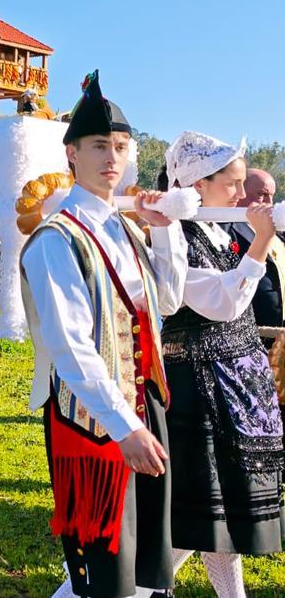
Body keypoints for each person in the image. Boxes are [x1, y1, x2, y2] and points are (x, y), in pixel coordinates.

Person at [22, 72, 188, 598]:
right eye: (98, 146)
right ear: (71, 153)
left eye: (119, 146)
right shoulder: (57, 237)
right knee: (105, 572)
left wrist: (165, 232)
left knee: (142, 569)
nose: (111, 158)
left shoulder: (122, 225)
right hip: (95, 424)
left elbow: (164, 303)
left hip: (144, 407)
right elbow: (71, 348)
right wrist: (125, 427)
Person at [158, 132, 283, 596]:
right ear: (198, 184)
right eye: (230, 184)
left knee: (220, 519)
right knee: (202, 516)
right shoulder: (175, 236)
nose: (240, 194)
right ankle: (141, 587)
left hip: (239, 388)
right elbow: (223, 303)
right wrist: (261, 243)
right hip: (201, 388)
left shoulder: (223, 229)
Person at [226, 167, 285, 339]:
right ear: (240, 192)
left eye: (272, 196)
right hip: (251, 334)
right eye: (262, 194)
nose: (269, 202)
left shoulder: (279, 233)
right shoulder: (229, 231)